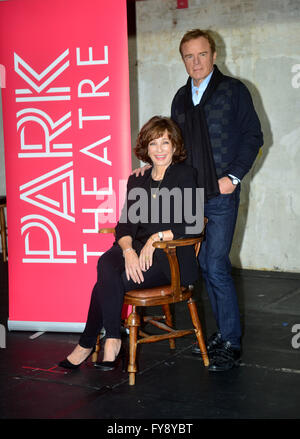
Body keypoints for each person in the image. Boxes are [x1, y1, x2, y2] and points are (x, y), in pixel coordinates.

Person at [58, 116, 203, 371]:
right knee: (106, 262)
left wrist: (155, 238)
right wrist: (127, 251)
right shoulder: (138, 179)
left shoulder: (185, 174)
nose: (159, 149)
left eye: (165, 143)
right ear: (146, 148)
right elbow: (124, 225)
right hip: (136, 251)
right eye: (153, 143)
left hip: (170, 258)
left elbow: (193, 223)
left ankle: (89, 344)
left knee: (108, 283)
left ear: (174, 145)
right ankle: (112, 338)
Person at [171, 29, 264, 371]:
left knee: (216, 264)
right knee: (203, 269)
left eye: (201, 54)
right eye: (189, 56)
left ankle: (231, 342)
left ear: (213, 55)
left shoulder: (233, 90)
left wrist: (234, 178)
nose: (196, 62)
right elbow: (175, 146)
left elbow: (254, 136)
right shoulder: (180, 98)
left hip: (221, 193)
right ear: (183, 60)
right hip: (190, 195)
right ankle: (223, 333)